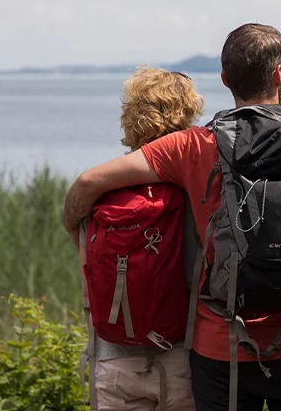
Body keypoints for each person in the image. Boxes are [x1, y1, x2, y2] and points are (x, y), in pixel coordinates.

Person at [63, 23, 281, 411]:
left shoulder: (191, 146)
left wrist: (76, 233)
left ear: (225, 80)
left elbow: (89, 182)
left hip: (220, 352)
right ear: (280, 74)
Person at [82, 66, 204, 411]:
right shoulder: (191, 192)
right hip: (180, 357)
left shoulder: (99, 188)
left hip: (111, 358)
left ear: (129, 118)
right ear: (186, 120)